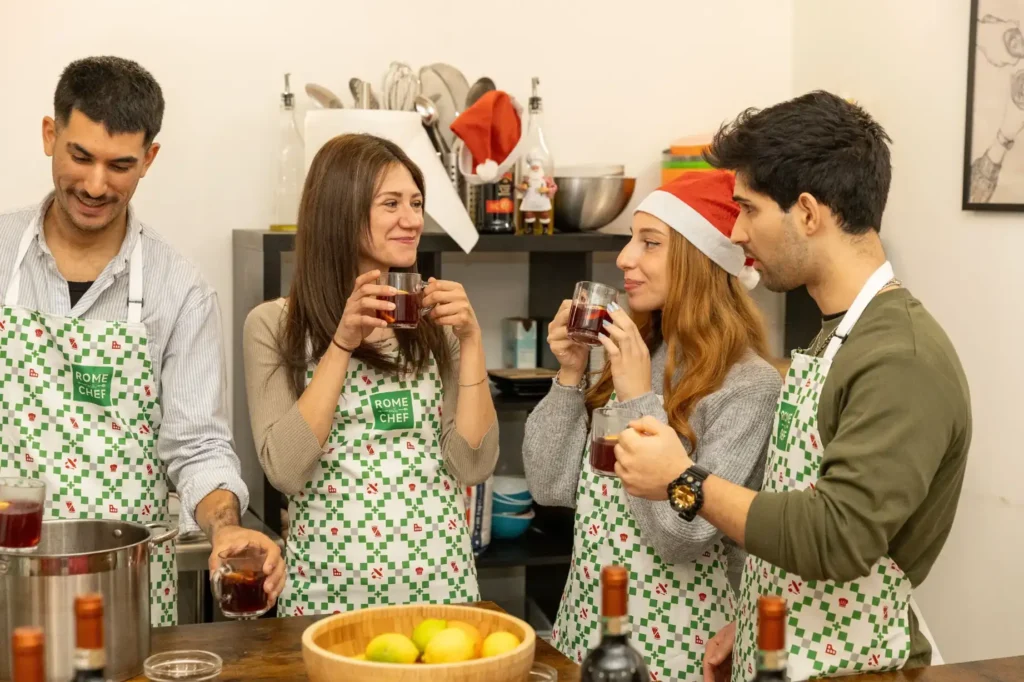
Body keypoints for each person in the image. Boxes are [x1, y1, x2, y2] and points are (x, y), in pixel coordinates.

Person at [614, 92, 971, 681]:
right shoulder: (834, 334)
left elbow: (836, 535)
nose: (736, 229)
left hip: (855, 666)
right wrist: (757, 617)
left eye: (748, 209)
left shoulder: (900, 357)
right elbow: (797, 500)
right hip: (787, 653)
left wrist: (684, 481)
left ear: (807, 212)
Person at [0, 56, 284, 627]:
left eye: (120, 164)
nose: (96, 184)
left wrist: (225, 524)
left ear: (149, 160)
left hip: (124, 592)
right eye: (80, 156)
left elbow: (197, 447)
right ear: (50, 135)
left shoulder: (180, 291)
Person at [521, 170, 782, 681]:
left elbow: (679, 538)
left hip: (681, 651)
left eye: (650, 243)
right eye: (629, 240)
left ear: (700, 260)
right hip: (587, 631)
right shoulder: (636, 351)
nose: (624, 258)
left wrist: (638, 398)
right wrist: (571, 373)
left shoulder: (748, 386)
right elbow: (551, 487)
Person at [243, 133, 499, 616]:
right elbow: (286, 470)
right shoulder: (274, 325)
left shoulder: (434, 324)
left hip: (442, 586)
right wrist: (341, 344)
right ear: (341, 211)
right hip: (325, 595)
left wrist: (470, 340)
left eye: (417, 203)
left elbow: (473, 465)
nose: (412, 220)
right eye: (391, 203)